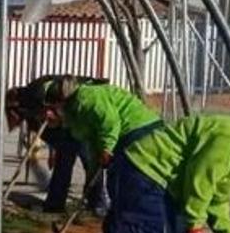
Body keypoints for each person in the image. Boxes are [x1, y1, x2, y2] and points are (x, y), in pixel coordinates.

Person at [44, 77, 163, 214]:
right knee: (115, 178)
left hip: (139, 127)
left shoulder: (87, 98)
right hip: (124, 133)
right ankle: (120, 217)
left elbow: (109, 123)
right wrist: (93, 170)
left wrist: (107, 148)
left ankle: (132, 217)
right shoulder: (75, 119)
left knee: (123, 176)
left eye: (52, 108)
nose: (48, 114)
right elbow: (92, 142)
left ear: (63, 102)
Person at [5, 74, 107, 213]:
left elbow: (58, 110)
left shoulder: (34, 95)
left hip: (80, 120)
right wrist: (54, 150)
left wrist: (56, 115)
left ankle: (96, 203)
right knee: (65, 162)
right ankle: (57, 204)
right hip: (67, 127)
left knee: (89, 161)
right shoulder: (31, 104)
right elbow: (51, 130)